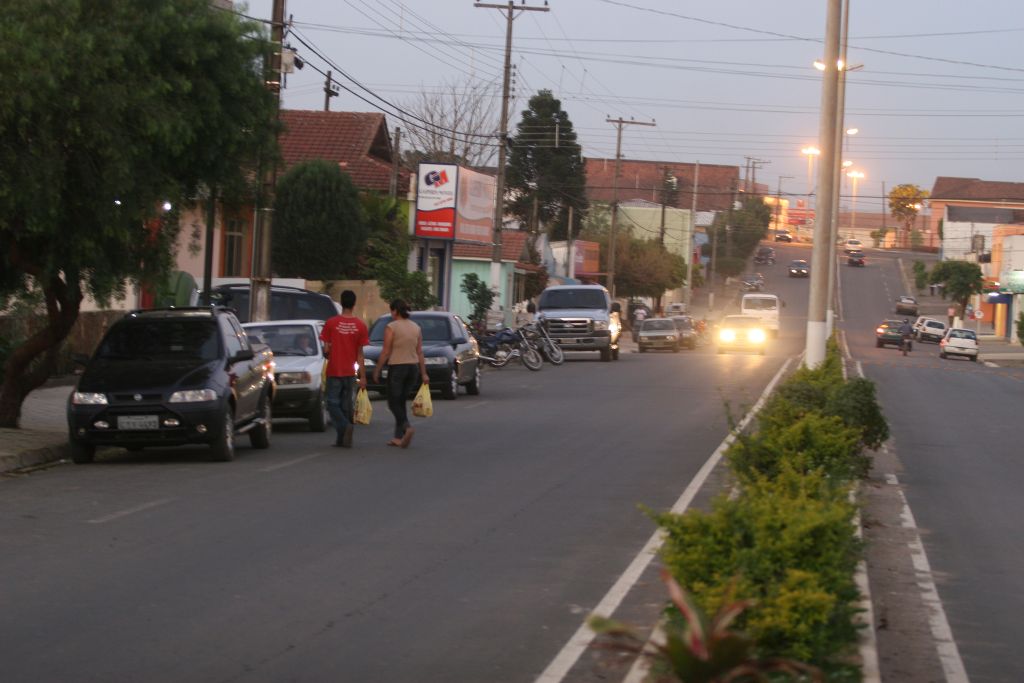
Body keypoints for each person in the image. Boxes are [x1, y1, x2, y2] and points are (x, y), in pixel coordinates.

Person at [373, 299, 429, 448]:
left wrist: (377, 370)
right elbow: (420, 352)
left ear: (395, 311)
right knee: (401, 401)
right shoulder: (416, 327)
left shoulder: (391, 327)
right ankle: (398, 437)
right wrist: (424, 374)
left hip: (397, 368)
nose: (391, 314)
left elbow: (385, 351)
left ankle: (406, 427)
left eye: (392, 311)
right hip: (413, 369)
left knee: (392, 402)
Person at [319, 290, 368, 448]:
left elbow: (326, 349)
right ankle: (343, 439)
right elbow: (360, 354)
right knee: (346, 405)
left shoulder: (331, 323)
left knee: (332, 403)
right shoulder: (360, 325)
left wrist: (331, 350)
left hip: (334, 370)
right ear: (354, 304)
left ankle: (345, 427)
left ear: (341, 303)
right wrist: (363, 376)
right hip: (350, 372)